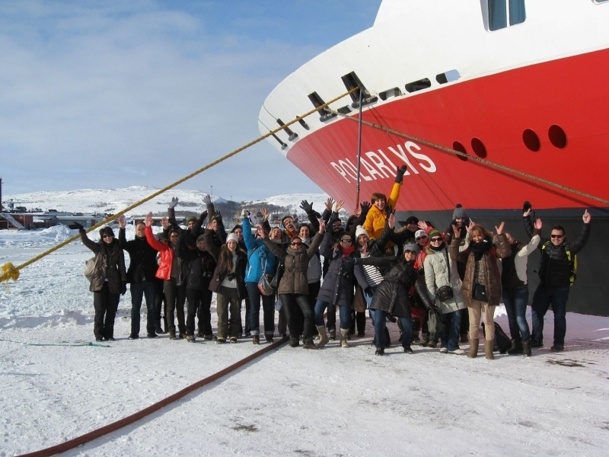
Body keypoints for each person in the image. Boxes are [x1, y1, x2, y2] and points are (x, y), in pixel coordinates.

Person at [524, 205, 591, 352]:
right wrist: (526, 218)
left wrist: (586, 224)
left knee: (559, 316)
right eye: (553, 236)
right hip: (545, 286)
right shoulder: (545, 245)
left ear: (564, 237)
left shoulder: (569, 248)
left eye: (559, 236)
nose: (555, 238)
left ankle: (558, 343)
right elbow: (533, 236)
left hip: (560, 289)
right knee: (536, 311)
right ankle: (536, 339)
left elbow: (582, 240)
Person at [355, 242, 434, 355]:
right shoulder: (394, 260)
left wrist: (429, 306)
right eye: (407, 251)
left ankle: (406, 344)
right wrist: (357, 261)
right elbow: (375, 261)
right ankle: (380, 346)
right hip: (383, 292)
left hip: (401, 296)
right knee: (379, 323)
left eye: (412, 252)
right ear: (404, 252)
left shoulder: (414, 273)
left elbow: (420, 290)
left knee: (407, 326)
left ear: (415, 255)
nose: (409, 254)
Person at [450, 221, 511, 359]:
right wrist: (456, 238)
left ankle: (489, 351)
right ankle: (473, 350)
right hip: (473, 291)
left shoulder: (492, 249)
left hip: (490, 290)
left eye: (479, 236)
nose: (477, 238)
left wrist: (501, 236)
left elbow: (506, 252)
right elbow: (454, 255)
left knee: (488, 321)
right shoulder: (469, 250)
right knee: (473, 322)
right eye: (474, 236)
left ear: (484, 235)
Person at [262, 221, 326, 349]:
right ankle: (294, 337)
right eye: (294, 243)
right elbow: (274, 249)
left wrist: (320, 231)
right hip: (285, 290)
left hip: (301, 289)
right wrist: (265, 238)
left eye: (298, 243)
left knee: (308, 313)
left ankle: (307, 339)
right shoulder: (285, 255)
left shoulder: (306, 255)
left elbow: (315, 244)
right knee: (290, 315)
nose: (296, 245)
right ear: (291, 244)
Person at [314, 231, 368, 348]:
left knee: (345, 317)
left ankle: (343, 339)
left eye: (349, 240)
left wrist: (365, 286)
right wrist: (326, 232)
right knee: (317, 312)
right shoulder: (334, 253)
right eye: (344, 240)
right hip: (328, 288)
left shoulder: (355, 256)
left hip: (344, 290)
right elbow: (322, 250)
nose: (347, 242)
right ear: (340, 242)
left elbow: (358, 272)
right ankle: (323, 336)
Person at [77, 224, 127, 341]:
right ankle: (99, 335)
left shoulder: (118, 249)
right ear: (102, 238)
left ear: (112, 236)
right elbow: (86, 241)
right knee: (100, 311)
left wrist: (123, 282)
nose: (107, 238)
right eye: (105, 236)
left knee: (111, 310)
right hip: (99, 283)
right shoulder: (98, 248)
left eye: (109, 235)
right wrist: (82, 231)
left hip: (113, 283)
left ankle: (109, 334)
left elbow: (122, 266)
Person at [501, 218, 541, 356]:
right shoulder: (502, 254)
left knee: (519, 318)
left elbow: (533, 244)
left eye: (508, 238)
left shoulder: (521, 250)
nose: (506, 240)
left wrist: (537, 230)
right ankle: (516, 343)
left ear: (513, 238)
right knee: (511, 318)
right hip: (506, 289)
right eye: (504, 239)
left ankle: (526, 344)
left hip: (519, 289)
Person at [144, 213, 186, 340]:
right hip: (169, 280)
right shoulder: (165, 248)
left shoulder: (184, 248)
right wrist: (148, 228)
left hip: (181, 280)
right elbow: (151, 242)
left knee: (180, 307)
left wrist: (173, 224)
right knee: (170, 306)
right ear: (169, 237)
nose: (175, 238)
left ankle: (182, 330)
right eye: (172, 236)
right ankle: (171, 330)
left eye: (176, 236)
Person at [424, 229, 465, 354]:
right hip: (441, 293)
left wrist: (462, 236)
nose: (436, 242)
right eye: (433, 240)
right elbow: (429, 280)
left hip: (456, 289)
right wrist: (431, 297)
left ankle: (453, 345)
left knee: (457, 318)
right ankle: (444, 343)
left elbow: (463, 247)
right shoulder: (428, 258)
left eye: (438, 239)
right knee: (444, 320)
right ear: (430, 242)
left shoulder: (450, 250)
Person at [118, 216, 158, 339]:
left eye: (143, 229)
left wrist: (149, 228)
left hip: (150, 279)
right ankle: (134, 332)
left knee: (151, 306)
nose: (141, 231)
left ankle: (151, 331)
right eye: (138, 229)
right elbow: (122, 244)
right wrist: (122, 229)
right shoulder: (132, 244)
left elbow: (157, 243)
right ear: (135, 231)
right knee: (136, 307)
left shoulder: (151, 244)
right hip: (136, 280)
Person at [242, 210, 279, 344]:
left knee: (269, 307)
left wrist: (264, 223)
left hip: (267, 281)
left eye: (262, 230)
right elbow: (246, 236)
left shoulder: (271, 245)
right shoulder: (252, 245)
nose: (260, 232)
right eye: (258, 230)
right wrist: (245, 220)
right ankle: (255, 333)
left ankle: (269, 332)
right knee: (254, 307)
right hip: (252, 280)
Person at [206, 231, 248, 344]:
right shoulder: (221, 254)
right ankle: (222, 335)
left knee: (235, 312)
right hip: (223, 287)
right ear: (226, 244)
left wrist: (236, 275)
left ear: (237, 244)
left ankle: (233, 334)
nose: (231, 245)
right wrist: (208, 231)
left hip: (236, 288)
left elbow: (244, 271)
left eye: (233, 243)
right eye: (229, 243)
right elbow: (209, 245)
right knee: (222, 312)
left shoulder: (241, 256)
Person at [176, 230, 217, 342]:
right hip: (192, 286)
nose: (202, 245)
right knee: (192, 310)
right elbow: (179, 252)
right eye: (200, 243)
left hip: (206, 287)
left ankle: (207, 332)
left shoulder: (210, 255)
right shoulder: (192, 254)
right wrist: (181, 237)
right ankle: (189, 332)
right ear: (197, 244)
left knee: (205, 310)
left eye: (204, 243)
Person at [363, 165, 407, 240]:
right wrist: (372, 241)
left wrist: (398, 180)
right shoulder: (371, 214)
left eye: (382, 200)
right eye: (377, 201)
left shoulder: (387, 208)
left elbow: (394, 196)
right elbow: (367, 229)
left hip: (389, 243)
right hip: (378, 244)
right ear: (373, 203)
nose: (380, 203)